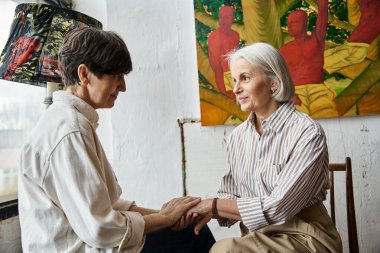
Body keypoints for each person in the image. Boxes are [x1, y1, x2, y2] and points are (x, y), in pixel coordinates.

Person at [18, 27, 215, 253]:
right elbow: (101, 228)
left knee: (189, 228)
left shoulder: (73, 122)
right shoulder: (69, 130)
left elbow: (109, 206)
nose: (123, 86)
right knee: (195, 236)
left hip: (94, 241)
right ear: (84, 75)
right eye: (116, 76)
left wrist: (168, 216)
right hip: (83, 247)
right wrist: (166, 218)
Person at [187, 42, 342, 252]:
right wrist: (195, 208)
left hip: (306, 236)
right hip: (257, 236)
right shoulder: (238, 137)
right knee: (192, 238)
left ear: (274, 83)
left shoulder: (307, 132)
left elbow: (278, 207)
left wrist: (213, 205)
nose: (235, 89)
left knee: (224, 250)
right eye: (234, 80)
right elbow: (232, 195)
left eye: (245, 78)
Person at [280, 0, 339, 118]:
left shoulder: (316, 40)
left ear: (304, 23)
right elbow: (277, 76)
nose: (289, 26)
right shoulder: (283, 50)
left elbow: (322, 18)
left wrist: (323, 4)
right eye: (288, 22)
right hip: (295, 92)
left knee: (327, 116)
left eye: (294, 22)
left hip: (318, 90)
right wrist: (290, 93)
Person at [208, 5, 240, 99]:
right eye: (221, 16)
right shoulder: (214, 37)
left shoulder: (235, 35)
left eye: (226, 17)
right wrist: (227, 89)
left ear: (232, 18)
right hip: (222, 76)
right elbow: (217, 66)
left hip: (234, 73)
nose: (222, 20)